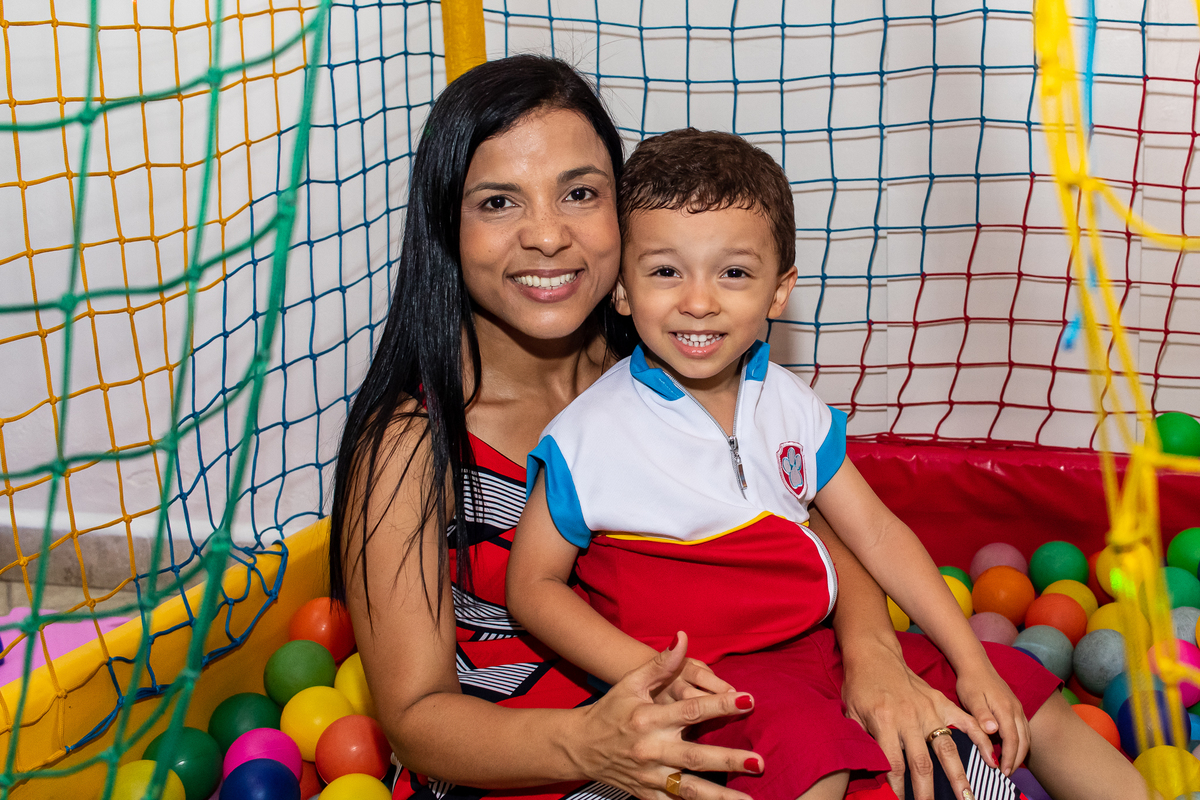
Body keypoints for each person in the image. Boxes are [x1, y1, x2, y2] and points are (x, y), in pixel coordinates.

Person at [328, 54, 1046, 800]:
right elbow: (414, 719)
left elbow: (815, 527)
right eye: (498, 202)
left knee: (962, 767)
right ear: (447, 224)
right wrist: (590, 745)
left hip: (726, 703)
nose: (545, 235)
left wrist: (872, 657)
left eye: (578, 192)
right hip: (535, 760)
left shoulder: (671, 366)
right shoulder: (412, 444)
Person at [506, 128, 1148, 800]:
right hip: (718, 674)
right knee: (817, 758)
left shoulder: (788, 403)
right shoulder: (589, 435)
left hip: (822, 643)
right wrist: (652, 672)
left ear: (778, 293)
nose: (699, 300)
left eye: (733, 273)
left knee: (1022, 687)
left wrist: (967, 661)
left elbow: (877, 533)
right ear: (623, 290)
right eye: (666, 271)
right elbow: (534, 586)